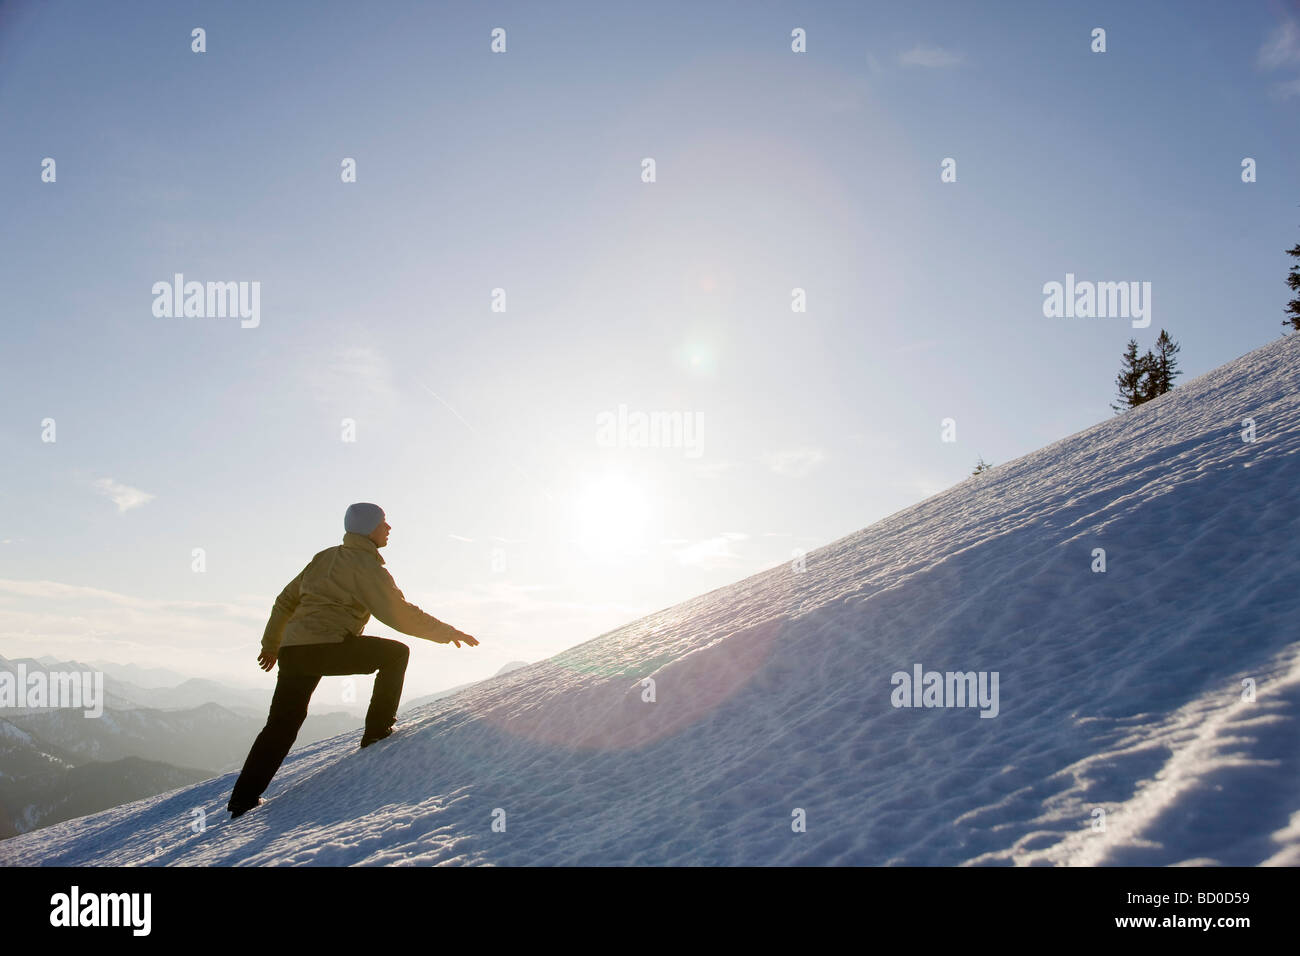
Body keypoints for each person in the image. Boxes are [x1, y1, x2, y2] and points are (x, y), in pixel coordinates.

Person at [227, 502, 478, 819]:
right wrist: (445, 632)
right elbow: (399, 613)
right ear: (369, 528)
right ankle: (377, 731)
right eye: (384, 522)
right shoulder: (366, 566)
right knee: (396, 654)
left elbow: (286, 600)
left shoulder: (325, 557)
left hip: (294, 650)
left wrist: (272, 644)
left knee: (281, 725)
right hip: (327, 645)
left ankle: (242, 799)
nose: (389, 528)